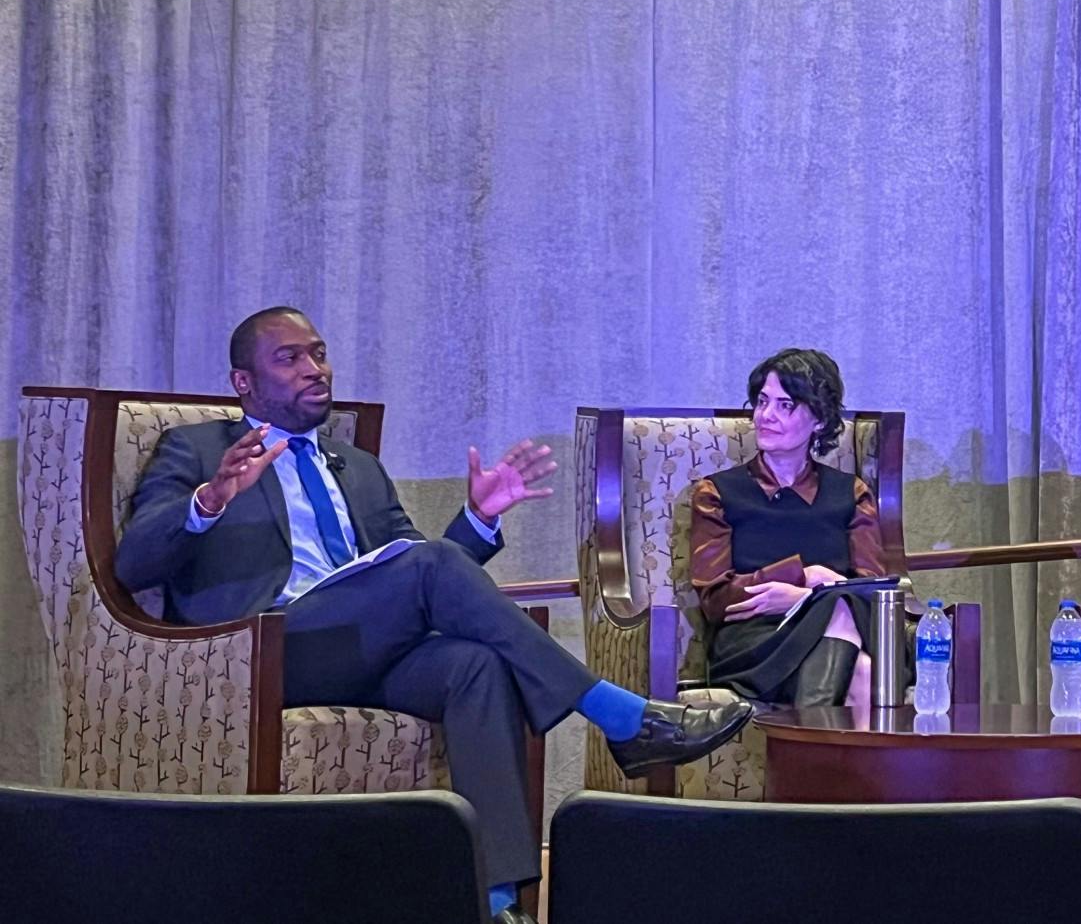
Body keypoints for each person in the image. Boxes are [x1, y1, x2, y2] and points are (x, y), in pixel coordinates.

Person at [115, 307, 751, 924]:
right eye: (289, 358)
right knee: (436, 569)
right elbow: (134, 563)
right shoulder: (197, 450)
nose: (314, 368)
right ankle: (621, 715)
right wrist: (210, 500)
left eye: (319, 353)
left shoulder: (358, 468)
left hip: (356, 648)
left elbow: (417, 572)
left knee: (474, 666)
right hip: (260, 652)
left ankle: (495, 902)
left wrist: (479, 518)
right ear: (244, 382)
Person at [689, 348, 891, 709]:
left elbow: (872, 591)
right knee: (860, 665)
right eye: (762, 401)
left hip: (842, 627)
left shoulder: (851, 493)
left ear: (819, 420)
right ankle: (821, 741)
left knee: (852, 639)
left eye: (786, 405)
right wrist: (804, 577)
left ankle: (809, 744)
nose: (766, 416)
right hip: (755, 643)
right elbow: (716, 599)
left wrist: (802, 599)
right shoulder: (717, 492)